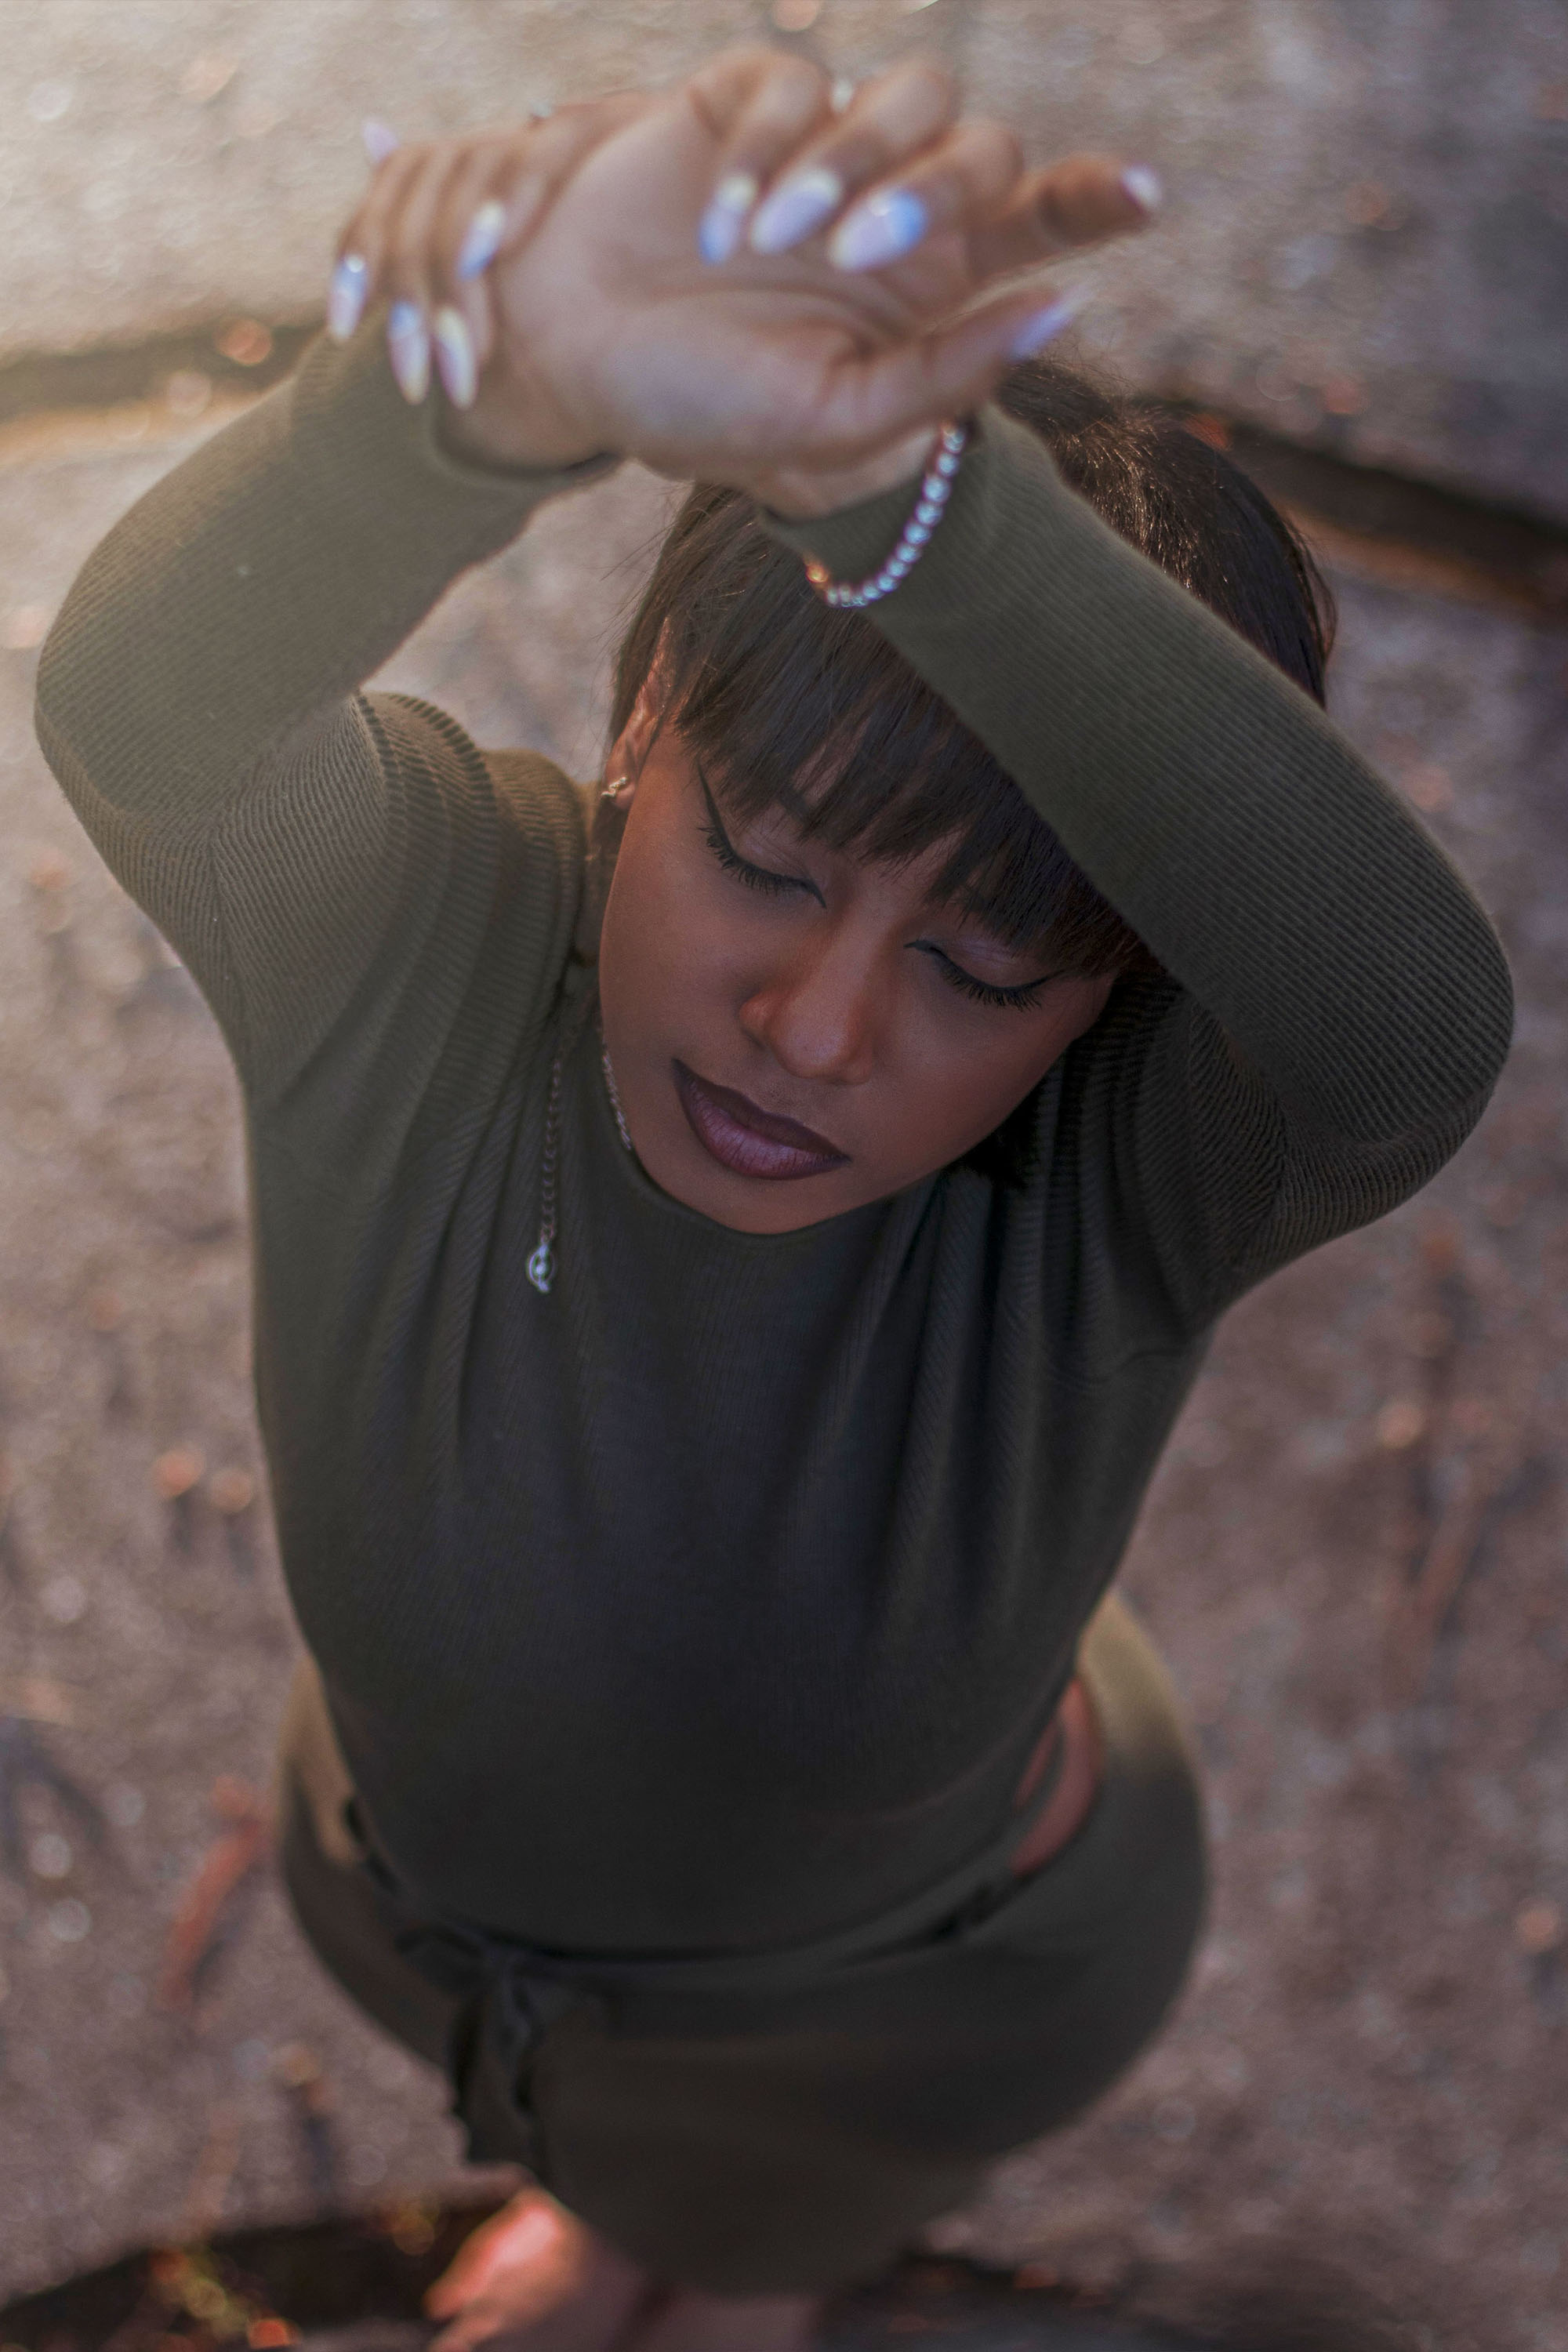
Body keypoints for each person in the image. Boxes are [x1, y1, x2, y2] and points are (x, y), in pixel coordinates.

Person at [36, 45, 1512, 2352]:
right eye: (759, 856)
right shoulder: (419, 945)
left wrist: (915, 511)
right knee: (610, 2161)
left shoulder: (1108, 1193)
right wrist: (457, 416)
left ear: (1107, 1010)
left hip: (908, 2010)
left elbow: (1405, 1032)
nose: (814, 1030)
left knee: (773, 2235)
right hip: (447, 1913)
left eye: (979, 970)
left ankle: (746, 2272)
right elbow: (150, 712)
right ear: (639, 727)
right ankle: (621, 2207)